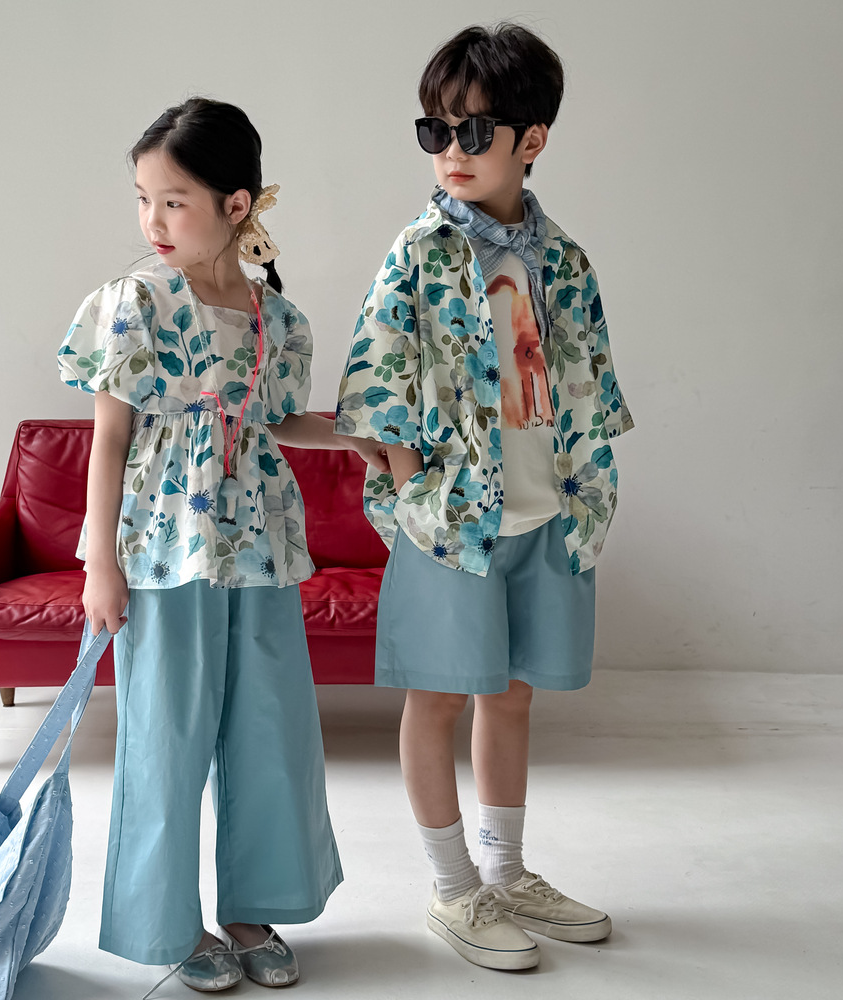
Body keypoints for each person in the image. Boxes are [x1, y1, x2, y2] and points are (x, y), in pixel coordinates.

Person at [58, 97, 385, 994]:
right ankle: (168, 924)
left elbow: (279, 421)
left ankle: (252, 909)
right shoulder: (134, 304)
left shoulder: (279, 320)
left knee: (269, 732)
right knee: (166, 739)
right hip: (164, 553)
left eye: (174, 201)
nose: (153, 222)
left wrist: (356, 437)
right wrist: (99, 562)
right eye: (144, 200)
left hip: (262, 550)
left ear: (236, 205)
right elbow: (110, 440)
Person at [336, 23, 634, 971]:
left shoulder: (565, 260)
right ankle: (454, 887)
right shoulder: (418, 253)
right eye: (436, 131)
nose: (451, 152)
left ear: (531, 138)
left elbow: (589, 384)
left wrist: (587, 499)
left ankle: (507, 874)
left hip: (549, 511)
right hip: (451, 524)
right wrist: (412, 496)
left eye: (473, 131)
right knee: (436, 699)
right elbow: (375, 386)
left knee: (511, 696)